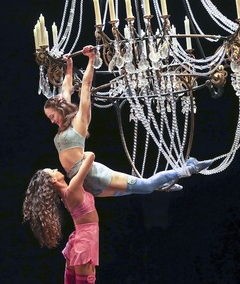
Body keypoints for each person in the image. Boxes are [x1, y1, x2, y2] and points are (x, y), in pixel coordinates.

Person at [43, 45, 212, 197]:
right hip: (87, 184)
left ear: (60, 110)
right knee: (140, 189)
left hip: (94, 175)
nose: (51, 121)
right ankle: (163, 183)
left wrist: (91, 59)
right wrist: (69, 67)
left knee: (146, 186)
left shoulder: (79, 122)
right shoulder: (64, 126)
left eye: (52, 116)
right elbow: (66, 89)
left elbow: (86, 86)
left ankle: (190, 168)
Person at [19, 151, 99, 284]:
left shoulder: (68, 193)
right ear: (54, 180)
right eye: (53, 170)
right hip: (85, 243)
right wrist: (77, 155)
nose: (56, 169)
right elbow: (90, 156)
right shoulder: (72, 188)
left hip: (78, 242)